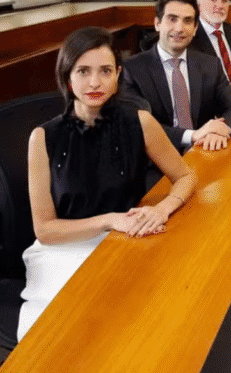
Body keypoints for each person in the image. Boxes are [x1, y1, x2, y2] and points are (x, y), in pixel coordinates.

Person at [19, 27, 197, 341]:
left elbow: (185, 176)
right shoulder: (42, 138)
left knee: (143, 325)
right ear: (67, 78)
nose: (94, 83)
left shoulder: (139, 122)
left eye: (105, 71)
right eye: (83, 71)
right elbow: (45, 229)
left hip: (125, 242)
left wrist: (163, 208)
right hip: (63, 249)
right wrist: (108, 221)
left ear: (118, 75)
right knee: (67, 334)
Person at [122, 0, 231, 152]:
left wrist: (222, 131)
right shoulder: (132, 69)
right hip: (156, 159)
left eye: (187, 21)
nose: (179, 28)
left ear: (195, 28)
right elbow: (136, 125)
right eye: (172, 19)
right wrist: (192, 135)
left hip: (205, 151)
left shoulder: (210, 65)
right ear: (157, 23)